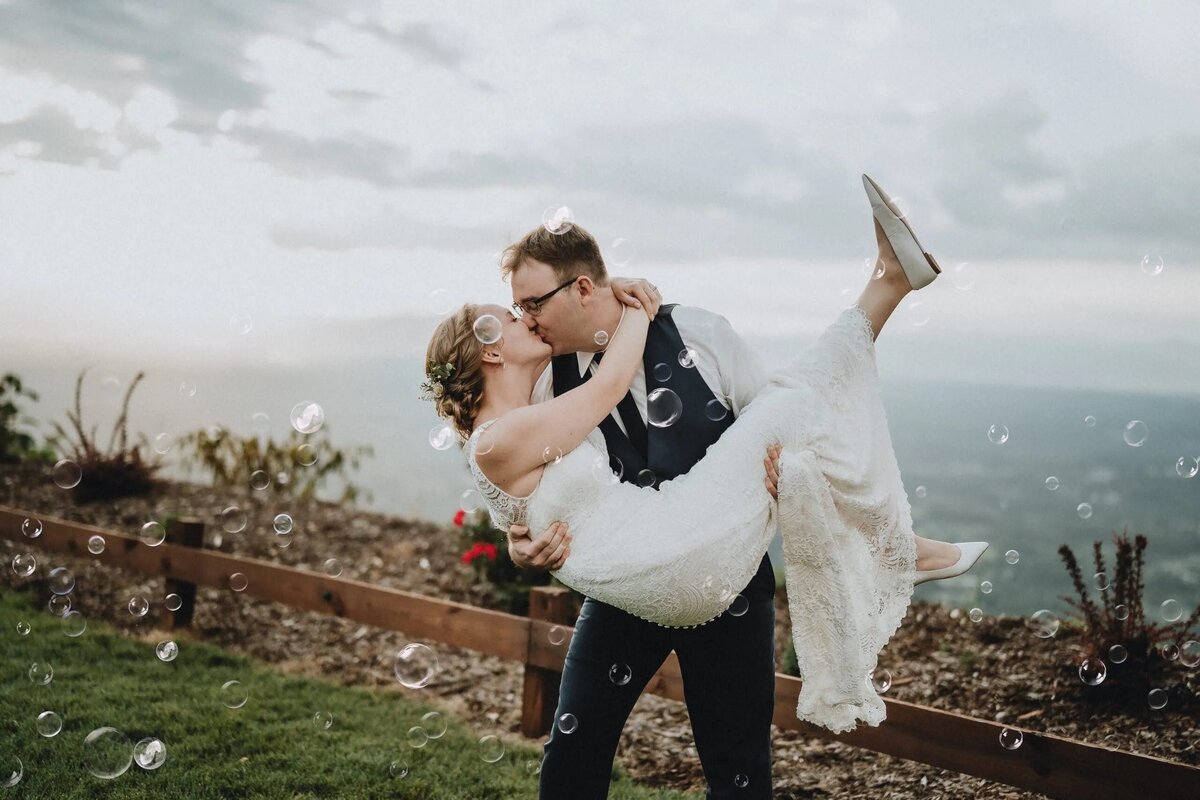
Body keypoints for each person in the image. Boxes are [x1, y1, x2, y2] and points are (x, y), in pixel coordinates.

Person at [423, 175, 988, 797]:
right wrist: (519, 543)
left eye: (532, 304)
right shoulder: (541, 382)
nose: (525, 319)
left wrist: (786, 470)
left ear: (582, 287)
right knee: (574, 751)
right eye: (517, 311)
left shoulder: (699, 334)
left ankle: (894, 533)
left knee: (738, 765)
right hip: (628, 587)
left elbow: (781, 427)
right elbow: (519, 483)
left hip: (728, 577)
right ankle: (895, 537)